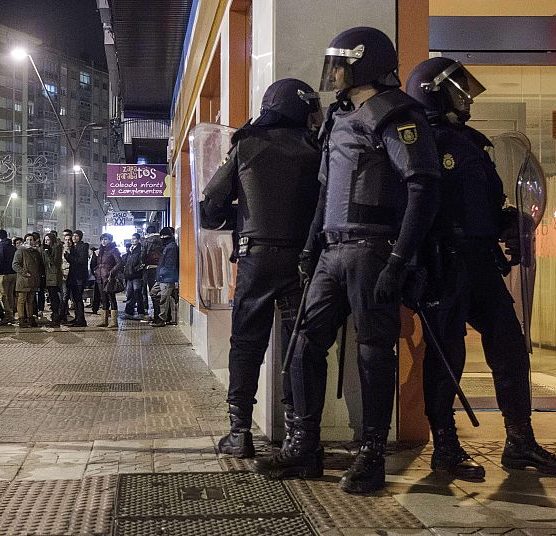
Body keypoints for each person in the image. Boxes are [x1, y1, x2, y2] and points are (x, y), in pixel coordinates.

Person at [254, 27, 440, 494]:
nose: (333, 73)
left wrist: (400, 259)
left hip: (373, 249)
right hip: (332, 251)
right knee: (303, 344)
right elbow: (325, 192)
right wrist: (310, 248)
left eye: (339, 64)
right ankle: (304, 445)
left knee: (374, 352)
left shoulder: (396, 114)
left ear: (364, 64)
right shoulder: (337, 118)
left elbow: (422, 187)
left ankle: (372, 455)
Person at [405, 58, 556, 478]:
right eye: (456, 90)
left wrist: (510, 222)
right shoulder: (418, 141)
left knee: (510, 346)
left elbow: (485, 204)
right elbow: (413, 207)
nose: (466, 98)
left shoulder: (471, 142)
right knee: (448, 354)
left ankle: (520, 441)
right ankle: (445, 446)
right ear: (433, 93)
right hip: (443, 262)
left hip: (480, 260)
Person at [200, 78, 322, 459]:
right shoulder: (316, 147)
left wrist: (240, 217)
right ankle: (297, 435)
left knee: (246, 345)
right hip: (303, 262)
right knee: (300, 347)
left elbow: (209, 206)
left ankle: (239, 432)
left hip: (255, 259)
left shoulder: (247, 144)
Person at [12, 233, 44, 328]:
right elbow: (15, 265)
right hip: (23, 280)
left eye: (31, 240)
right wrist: (24, 272)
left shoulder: (36, 252)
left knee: (30, 300)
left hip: (33, 280)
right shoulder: (21, 251)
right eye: (27, 240)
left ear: (34, 241)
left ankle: (30, 318)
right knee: (21, 300)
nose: (29, 241)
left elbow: (39, 265)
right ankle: (21, 319)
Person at [151, 227, 178, 327]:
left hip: (166, 278)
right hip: (162, 277)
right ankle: (161, 316)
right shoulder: (168, 246)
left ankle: (162, 319)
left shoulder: (171, 247)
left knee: (163, 299)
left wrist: (161, 274)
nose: (162, 238)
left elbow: (169, 264)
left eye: (163, 236)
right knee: (154, 293)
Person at [95, 233, 123, 328]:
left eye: (106, 239)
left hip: (109, 278)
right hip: (100, 277)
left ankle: (114, 321)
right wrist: (96, 270)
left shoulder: (114, 250)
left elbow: (119, 263)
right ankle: (104, 320)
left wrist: (111, 272)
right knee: (104, 299)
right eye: (102, 239)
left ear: (110, 240)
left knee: (112, 299)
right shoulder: (100, 251)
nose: (103, 241)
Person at [64, 229, 89, 327]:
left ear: (80, 237)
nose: (74, 237)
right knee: (74, 299)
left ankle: (81, 320)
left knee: (78, 299)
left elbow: (80, 260)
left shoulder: (83, 246)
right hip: (73, 277)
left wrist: (69, 257)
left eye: (76, 236)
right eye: (73, 236)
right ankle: (77, 317)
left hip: (79, 276)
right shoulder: (73, 247)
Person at [42, 232, 64, 327]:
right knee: (52, 297)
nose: (46, 242)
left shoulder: (56, 248)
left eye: (48, 240)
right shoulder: (45, 249)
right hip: (47, 276)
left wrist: (47, 253)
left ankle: (56, 318)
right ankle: (55, 316)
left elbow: (54, 263)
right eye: (45, 240)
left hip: (54, 277)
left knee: (55, 298)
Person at [0, 229, 17, 325]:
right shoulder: (12, 247)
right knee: (10, 295)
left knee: (1, 296)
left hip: (3, 274)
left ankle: (8, 316)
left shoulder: (1, 246)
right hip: (13, 274)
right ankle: (11, 313)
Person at [141, 225, 162, 320]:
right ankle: (162, 314)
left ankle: (156, 315)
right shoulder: (162, 240)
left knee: (153, 292)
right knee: (161, 291)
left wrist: (143, 263)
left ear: (148, 232)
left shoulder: (146, 241)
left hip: (150, 268)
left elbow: (143, 255)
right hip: (161, 268)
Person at [122, 233, 145, 318]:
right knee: (129, 294)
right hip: (129, 276)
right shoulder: (130, 250)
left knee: (137, 293)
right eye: (132, 238)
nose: (132, 240)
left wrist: (135, 270)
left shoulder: (140, 249)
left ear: (138, 240)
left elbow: (142, 263)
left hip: (136, 276)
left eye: (134, 239)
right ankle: (128, 312)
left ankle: (140, 313)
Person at [60, 229, 74, 322]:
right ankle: (62, 315)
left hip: (73, 275)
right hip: (64, 276)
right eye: (66, 240)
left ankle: (65, 313)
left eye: (69, 240)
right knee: (64, 296)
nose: (68, 241)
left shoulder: (74, 250)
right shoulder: (61, 250)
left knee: (70, 296)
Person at [89, 246, 101, 314]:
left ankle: (96, 308)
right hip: (97, 276)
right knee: (97, 293)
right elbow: (92, 265)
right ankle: (95, 308)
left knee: (98, 293)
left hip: (102, 276)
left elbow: (92, 265)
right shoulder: (95, 254)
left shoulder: (96, 254)